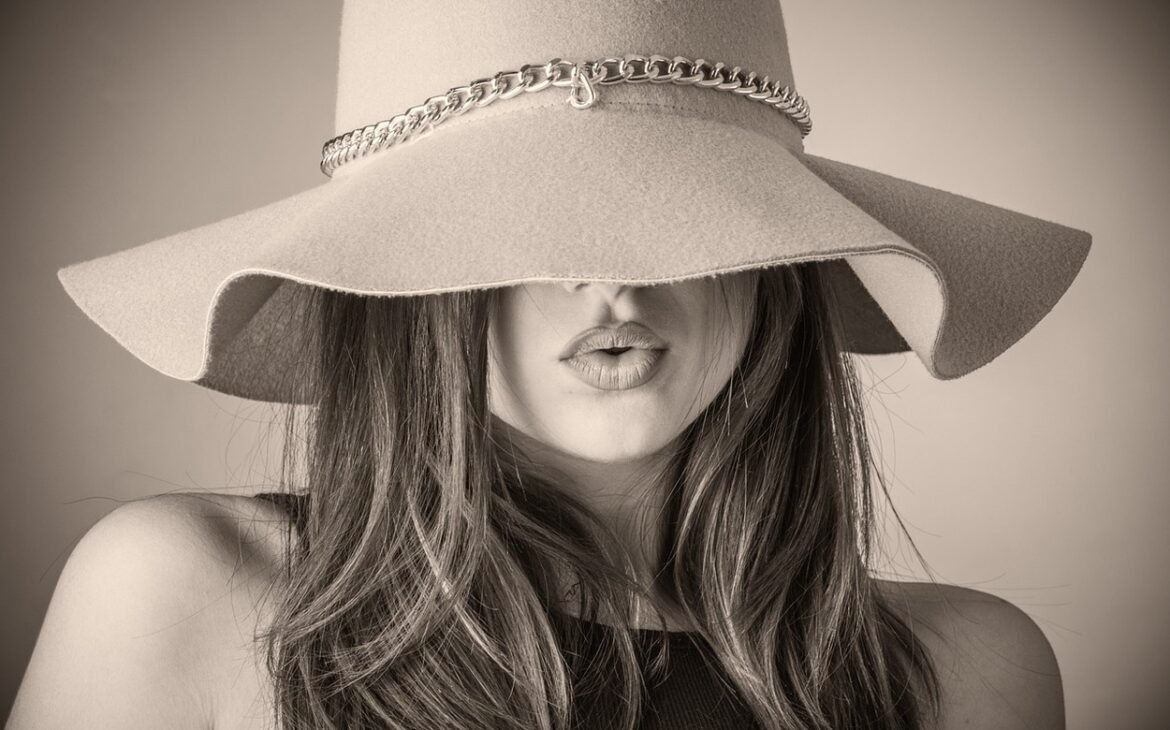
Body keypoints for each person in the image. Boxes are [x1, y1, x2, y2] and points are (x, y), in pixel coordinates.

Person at [8, 0, 1090, 728]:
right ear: (402, 281)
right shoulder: (193, 592)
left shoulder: (968, 673)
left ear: (779, 262)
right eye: (512, 223)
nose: (602, 278)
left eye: (670, 208)